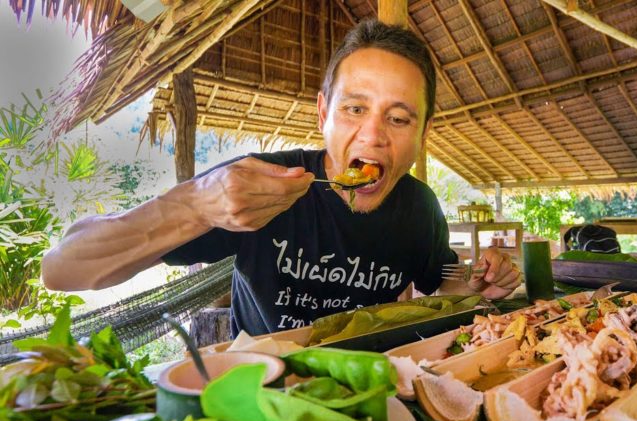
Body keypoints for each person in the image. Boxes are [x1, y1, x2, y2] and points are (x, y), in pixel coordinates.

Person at [41, 20, 521, 336]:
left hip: (373, 385)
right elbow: (63, 269)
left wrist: (480, 282)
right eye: (354, 109)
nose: (373, 137)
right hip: (262, 389)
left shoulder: (419, 206)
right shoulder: (255, 183)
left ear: (422, 134)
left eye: (398, 119)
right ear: (322, 115)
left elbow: (443, 284)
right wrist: (192, 205)